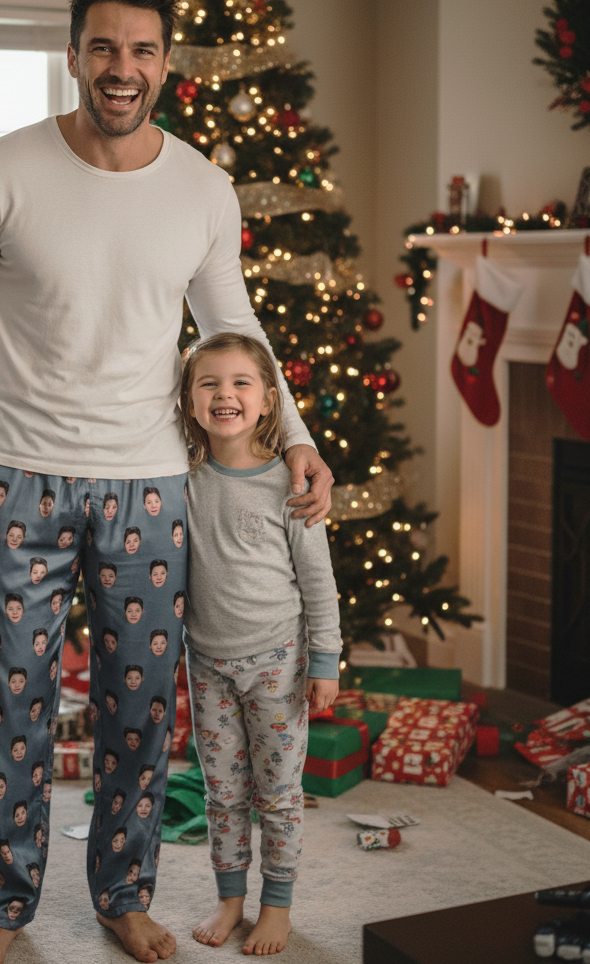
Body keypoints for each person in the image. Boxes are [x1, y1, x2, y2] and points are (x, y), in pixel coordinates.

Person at [0, 0, 333, 964]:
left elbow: (234, 326)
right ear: (72, 55)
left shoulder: (201, 185)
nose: (121, 67)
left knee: (138, 714)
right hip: (15, 473)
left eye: (141, 49)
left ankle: (122, 894)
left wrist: (300, 438)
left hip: (150, 483)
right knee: (9, 704)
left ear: (165, 61)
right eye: (102, 46)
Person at [179, 333, 342, 957]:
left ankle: (277, 906)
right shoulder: (185, 481)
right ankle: (229, 901)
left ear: (269, 401)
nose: (226, 395)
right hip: (208, 663)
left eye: (242, 383)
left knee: (277, 793)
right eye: (210, 384)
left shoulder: (291, 483)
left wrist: (324, 660)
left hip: (279, 663)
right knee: (221, 792)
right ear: (190, 403)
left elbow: (319, 583)